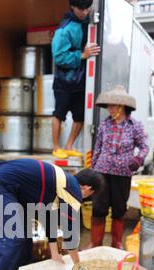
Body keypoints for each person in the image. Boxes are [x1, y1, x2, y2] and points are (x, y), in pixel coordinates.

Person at [0, 159, 104, 270]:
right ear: (87, 188)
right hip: (1, 183)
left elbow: (49, 219)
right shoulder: (73, 190)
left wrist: (55, 253)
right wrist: (78, 268)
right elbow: (70, 235)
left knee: (25, 240)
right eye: (91, 194)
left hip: (9, 185)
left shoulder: (62, 183)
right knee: (14, 237)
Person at [90, 85, 149, 249]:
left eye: (112, 105)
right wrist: (92, 170)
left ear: (122, 106)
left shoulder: (134, 126)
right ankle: (96, 244)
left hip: (122, 173)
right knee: (99, 208)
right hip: (102, 172)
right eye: (108, 105)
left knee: (119, 209)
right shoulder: (104, 125)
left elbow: (144, 147)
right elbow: (98, 148)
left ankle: (116, 243)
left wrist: (138, 159)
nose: (109, 108)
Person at [51, 0, 100, 159]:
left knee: (80, 116)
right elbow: (58, 57)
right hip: (64, 82)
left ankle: (69, 145)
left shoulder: (90, 21)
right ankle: (56, 147)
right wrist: (83, 55)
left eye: (87, 8)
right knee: (59, 114)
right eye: (81, 8)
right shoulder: (64, 29)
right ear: (72, 7)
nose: (85, 12)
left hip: (81, 81)